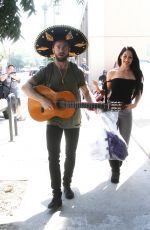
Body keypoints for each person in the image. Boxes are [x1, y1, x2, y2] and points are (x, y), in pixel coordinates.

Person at [22, 25, 94, 210]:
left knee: (71, 155)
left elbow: (86, 92)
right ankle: (56, 194)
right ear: (53, 50)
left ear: (69, 50)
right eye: (58, 46)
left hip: (73, 119)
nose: (61, 49)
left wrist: (93, 104)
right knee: (53, 157)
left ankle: (67, 185)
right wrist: (43, 100)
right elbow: (26, 88)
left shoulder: (77, 71)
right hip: (52, 120)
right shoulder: (47, 70)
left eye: (64, 47)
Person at [105, 46, 144, 183]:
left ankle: (118, 163)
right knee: (111, 140)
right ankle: (116, 170)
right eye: (125, 56)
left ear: (133, 59)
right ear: (121, 56)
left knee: (124, 142)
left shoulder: (136, 74)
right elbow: (107, 92)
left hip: (126, 112)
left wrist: (135, 104)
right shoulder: (111, 72)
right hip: (111, 111)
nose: (127, 59)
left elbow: (138, 92)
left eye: (130, 57)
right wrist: (100, 92)